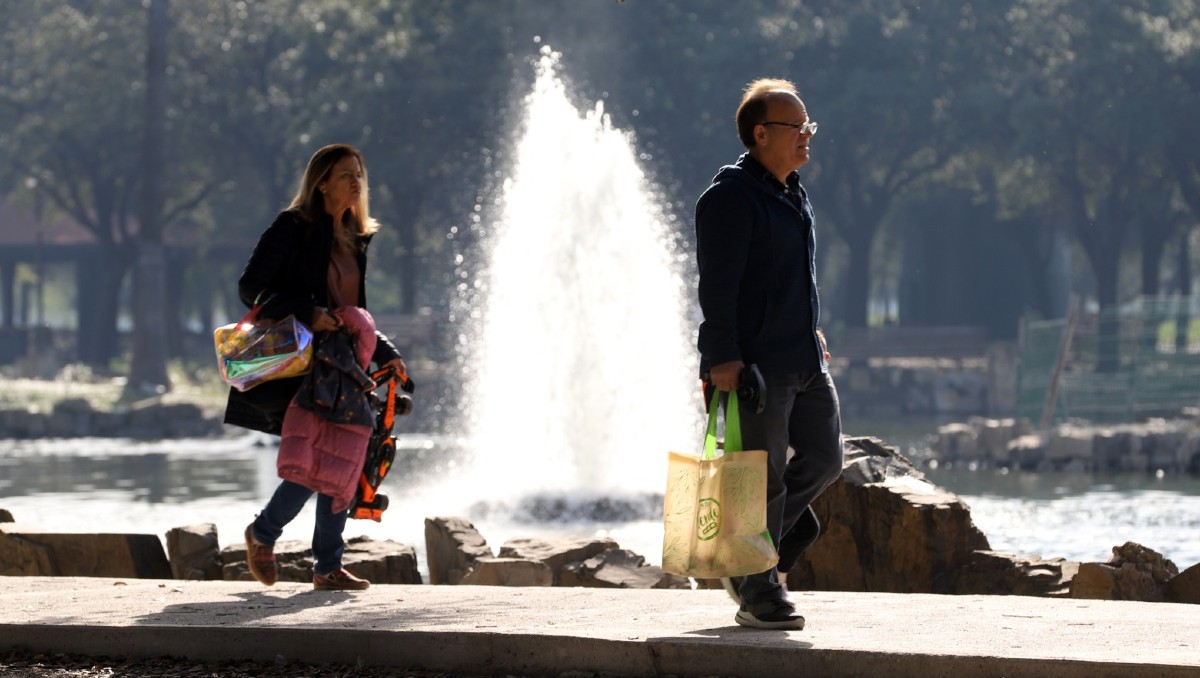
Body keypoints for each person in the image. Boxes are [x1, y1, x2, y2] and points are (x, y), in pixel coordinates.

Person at [694, 79, 844, 630]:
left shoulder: (791, 190)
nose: (807, 135)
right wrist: (722, 359)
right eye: (796, 126)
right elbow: (718, 289)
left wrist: (812, 328)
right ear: (761, 134)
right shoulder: (730, 197)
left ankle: (755, 545)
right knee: (764, 479)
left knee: (827, 460)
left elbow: (790, 279)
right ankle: (759, 593)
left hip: (805, 356)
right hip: (756, 366)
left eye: (809, 125)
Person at [223, 143, 407, 591]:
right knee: (317, 461)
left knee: (343, 462)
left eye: (359, 173)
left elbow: (353, 311)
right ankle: (265, 534)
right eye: (346, 174)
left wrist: (387, 354)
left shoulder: (354, 236)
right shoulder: (293, 226)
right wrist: (307, 311)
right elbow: (252, 288)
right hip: (301, 362)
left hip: (342, 364)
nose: (355, 181)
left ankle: (326, 566)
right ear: (322, 181)